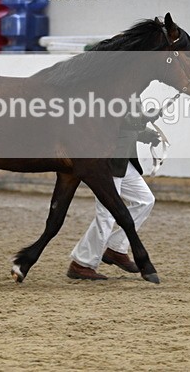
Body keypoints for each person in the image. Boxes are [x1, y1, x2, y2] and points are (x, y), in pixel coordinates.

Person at [67, 112, 161, 280]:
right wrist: (144, 118)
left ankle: (116, 248)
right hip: (105, 160)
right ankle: (81, 263)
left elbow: (127, 126)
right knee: (107, 215)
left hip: (122, 160)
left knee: (145, 200)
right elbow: (115, 120)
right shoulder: (110, 90)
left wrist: (145, 133)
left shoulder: (133, 93)